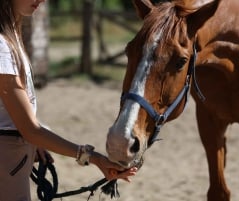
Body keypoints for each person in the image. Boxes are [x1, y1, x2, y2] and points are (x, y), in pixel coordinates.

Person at [0, 0, 137, 200]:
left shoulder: (10, 40)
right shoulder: (2, 47)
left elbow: (19, 120)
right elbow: (30, 129)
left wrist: (34, 141)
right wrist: (92, 157)